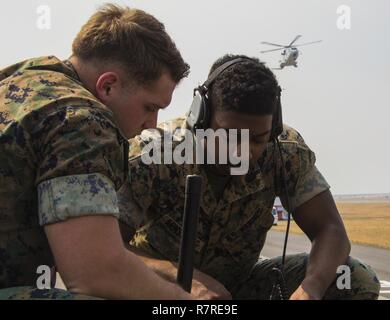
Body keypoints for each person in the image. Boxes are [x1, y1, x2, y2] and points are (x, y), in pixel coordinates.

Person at [119, 54, 381, 300]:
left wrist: (309, 289)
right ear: (202, 118)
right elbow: (108, 248)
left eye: (257, 139)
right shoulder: (156, 154)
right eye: (229, 135)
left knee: (354, 277)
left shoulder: (284, 152)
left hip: (240, 287)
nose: (242, 151)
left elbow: (330, 230)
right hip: (159, 287)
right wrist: (183, 278)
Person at [0, 4, 194, 299]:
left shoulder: (21, 79)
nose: (150, 125)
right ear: (108, 86)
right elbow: (98, 273)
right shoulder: (81, 119)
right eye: (149, 107)